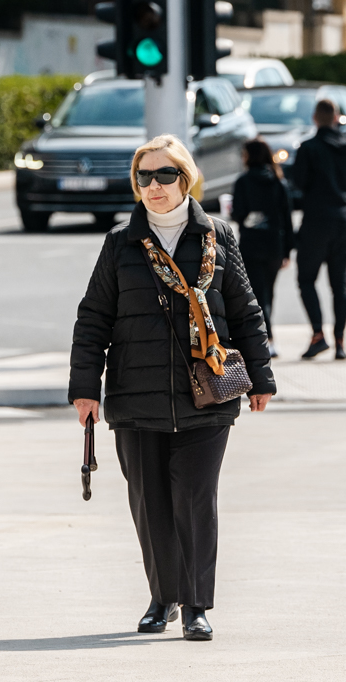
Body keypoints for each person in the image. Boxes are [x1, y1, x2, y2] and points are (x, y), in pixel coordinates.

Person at [69, 134, 275, 641]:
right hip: (135, 398)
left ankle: (196, 604)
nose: (154, 186)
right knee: (151, 502)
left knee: (195, 498)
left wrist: (262, 376)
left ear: (185, 179)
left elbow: (246, 310)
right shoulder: (121, 243)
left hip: (207, 393)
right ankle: (162, 598)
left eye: (164, 175)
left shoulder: (218, 237)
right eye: (144, 176)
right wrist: (85, 387)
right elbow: (93, 317)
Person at [290, 98, 346, 360]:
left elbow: (298, 183)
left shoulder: (308, 148)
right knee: (340, 285)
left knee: (305, 279)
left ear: (315, 119)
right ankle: (340, 341)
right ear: (336, 118)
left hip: (315, 222)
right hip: (342, 221)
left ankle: (317, 334)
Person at [231, 137, 294, 357]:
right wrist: (287, 251)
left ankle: (267, 340)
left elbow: (237, 213)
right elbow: (287, 219)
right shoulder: (278, 182)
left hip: (251, 246)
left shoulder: (243, 182)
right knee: (269, 293)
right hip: (275, 246)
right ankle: (268, 338)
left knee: (257, 295)